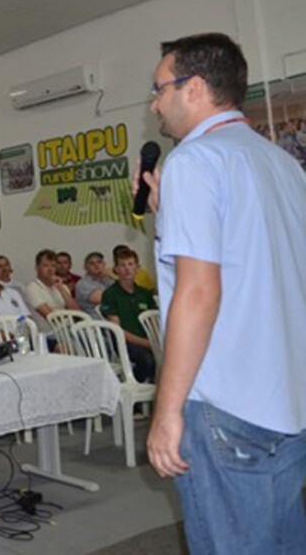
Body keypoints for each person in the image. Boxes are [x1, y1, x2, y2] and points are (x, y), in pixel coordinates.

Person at [141, 33, 306, 554]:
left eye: (159, 88)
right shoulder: (281, 163)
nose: (154, 103)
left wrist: (167, 412)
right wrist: (170, 215)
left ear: (193, 89)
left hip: (226, 404)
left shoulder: (193, 161)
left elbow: (199, 293)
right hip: (287, 398)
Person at [100, 248, 157, 383]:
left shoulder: (144, 293)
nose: (127, 269)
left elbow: (154, 322)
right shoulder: (110, 294)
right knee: (148, 360)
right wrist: (148, 343)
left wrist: (156, 341)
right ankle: (133, 391)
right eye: (122, 265)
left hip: (148, 341)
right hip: (125, 343)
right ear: (116, 269)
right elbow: (118, 330)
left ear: (137, 268)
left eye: (131, 264)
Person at [24, 249, 81, 339]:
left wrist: (61, 288)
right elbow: (52, 317)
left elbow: (77, 310)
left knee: (98, 339)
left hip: (68, 329)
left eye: (53, 266)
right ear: (37, 267)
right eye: (45, 266)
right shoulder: (32, 288)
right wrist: (70, 318)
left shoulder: (61, 286)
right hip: (49, 334)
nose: (50, 269)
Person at [75, 252, 114, 318]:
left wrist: (113, 277)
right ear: (85, 267)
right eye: (92, 263)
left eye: (99, 262)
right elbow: (103, 298)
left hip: (113, 317)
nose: (96, 266)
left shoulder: (108, 280)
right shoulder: (82, 284)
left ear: (104, 264)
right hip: (95, 322)